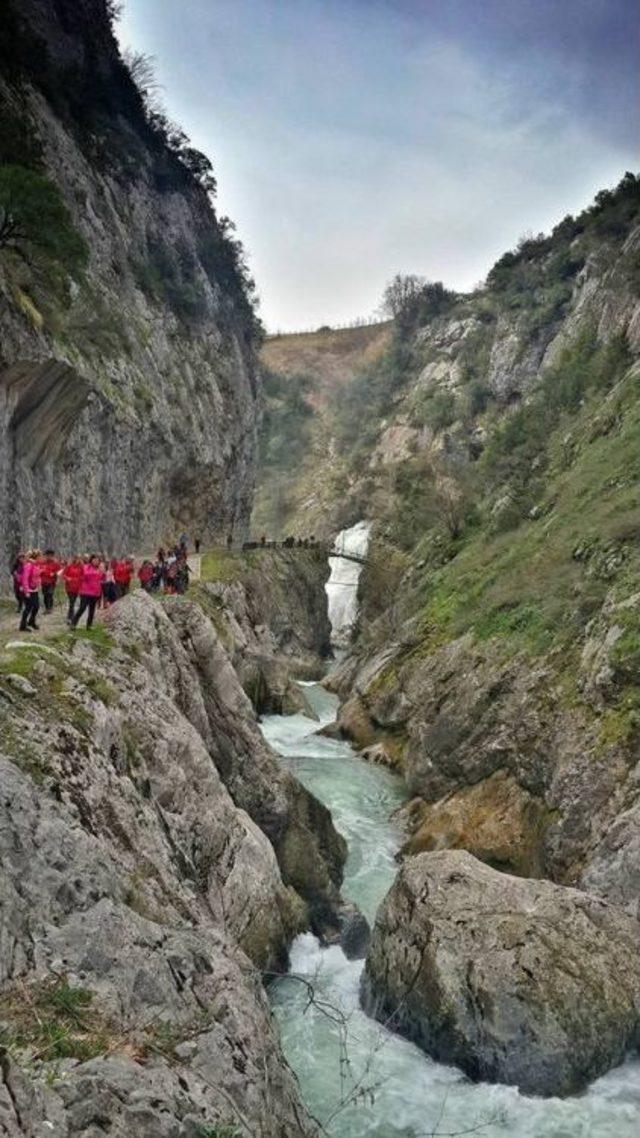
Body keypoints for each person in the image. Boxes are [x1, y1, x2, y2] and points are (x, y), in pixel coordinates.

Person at [72, 555, 105, 630]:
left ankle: (89, 625)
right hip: (85, 591)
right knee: (82, 607)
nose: (96, 562)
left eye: (97, 560)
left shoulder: (100, 569)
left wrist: (101, 571)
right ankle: (74, 622)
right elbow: (85, 575)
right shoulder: (86, 567)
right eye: (94, 560)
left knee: (92, 609)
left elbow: (101, 578)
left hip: (95, 591)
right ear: (91, 560)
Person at [19, 549, 41, 632]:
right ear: (36, 557)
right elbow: (25, 579)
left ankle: (31, 621)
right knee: (28, 607)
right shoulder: (28, 565)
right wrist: (26, 591)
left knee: (36, 606)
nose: (41, 558)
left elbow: (37, 576)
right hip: (27, 590)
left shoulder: (36, 565)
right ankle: (22, 625)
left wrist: (39, 584)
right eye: (39, 556)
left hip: (34, 589)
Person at [62, 556, 84, 625]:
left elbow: (83, 576)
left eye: (78, 559)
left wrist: (79, 580)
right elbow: (63, 575)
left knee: (73, 602)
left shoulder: (81, 567)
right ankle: (70, 617)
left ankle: (70, 616)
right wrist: (67, 578)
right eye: (76, 559)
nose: (77, 560)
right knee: (71, 602)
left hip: (77, 588)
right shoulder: (69, 566)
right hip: (69, 587)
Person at [40, 549, 62, 613]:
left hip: (52, 582)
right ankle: (47, 608)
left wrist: (55, 574)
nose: (48, 557)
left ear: (52, 556)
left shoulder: (56, 563)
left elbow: (60, 572)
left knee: (50, 594)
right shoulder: (43, 563)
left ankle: (50, 607)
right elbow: (39, 570)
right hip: (44, 582)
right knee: (45, 595)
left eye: (49, 556)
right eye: (47, 555)